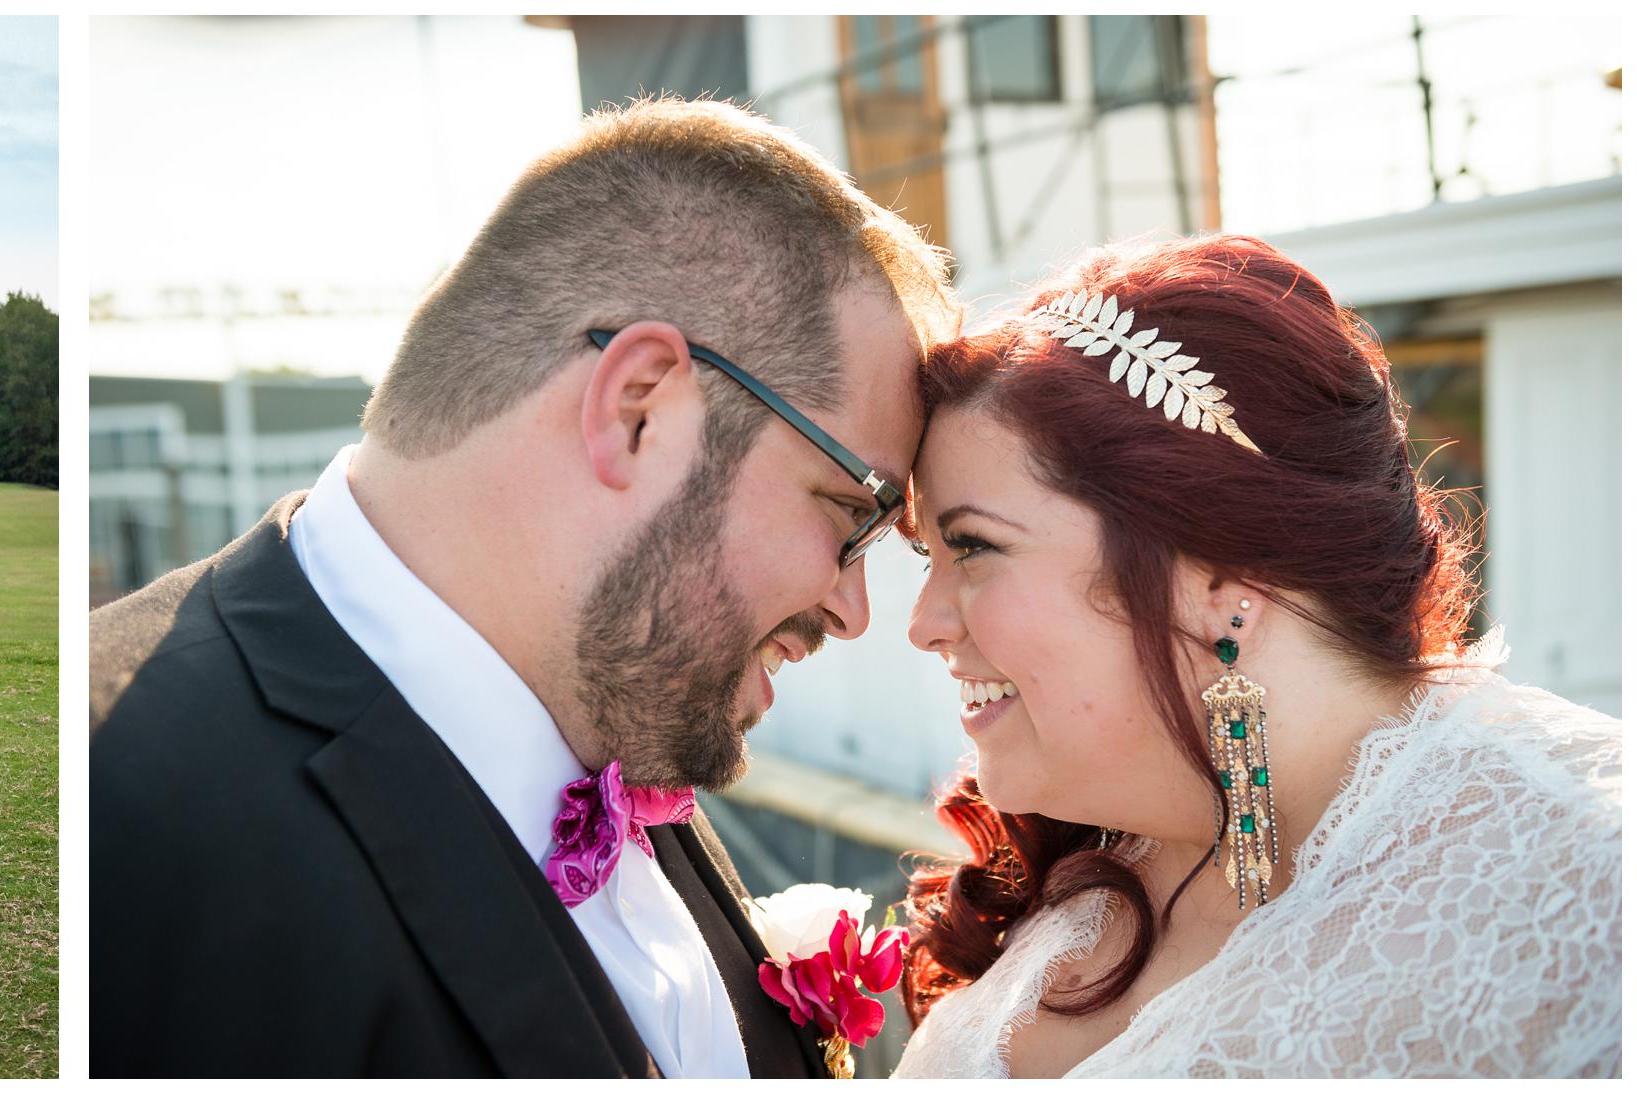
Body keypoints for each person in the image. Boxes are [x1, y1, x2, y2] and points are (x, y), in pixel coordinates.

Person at [91, 97, 958, 1077]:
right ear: (640, 411)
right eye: (852, 514)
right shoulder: (105, 828)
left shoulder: (621, 696)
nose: (855, 608)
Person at [892, 234, 1620, 1078]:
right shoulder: (1108, 861)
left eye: (973, 547)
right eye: (928, 562)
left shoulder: (1587, 892)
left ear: (1223, 581)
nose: (924, 622)